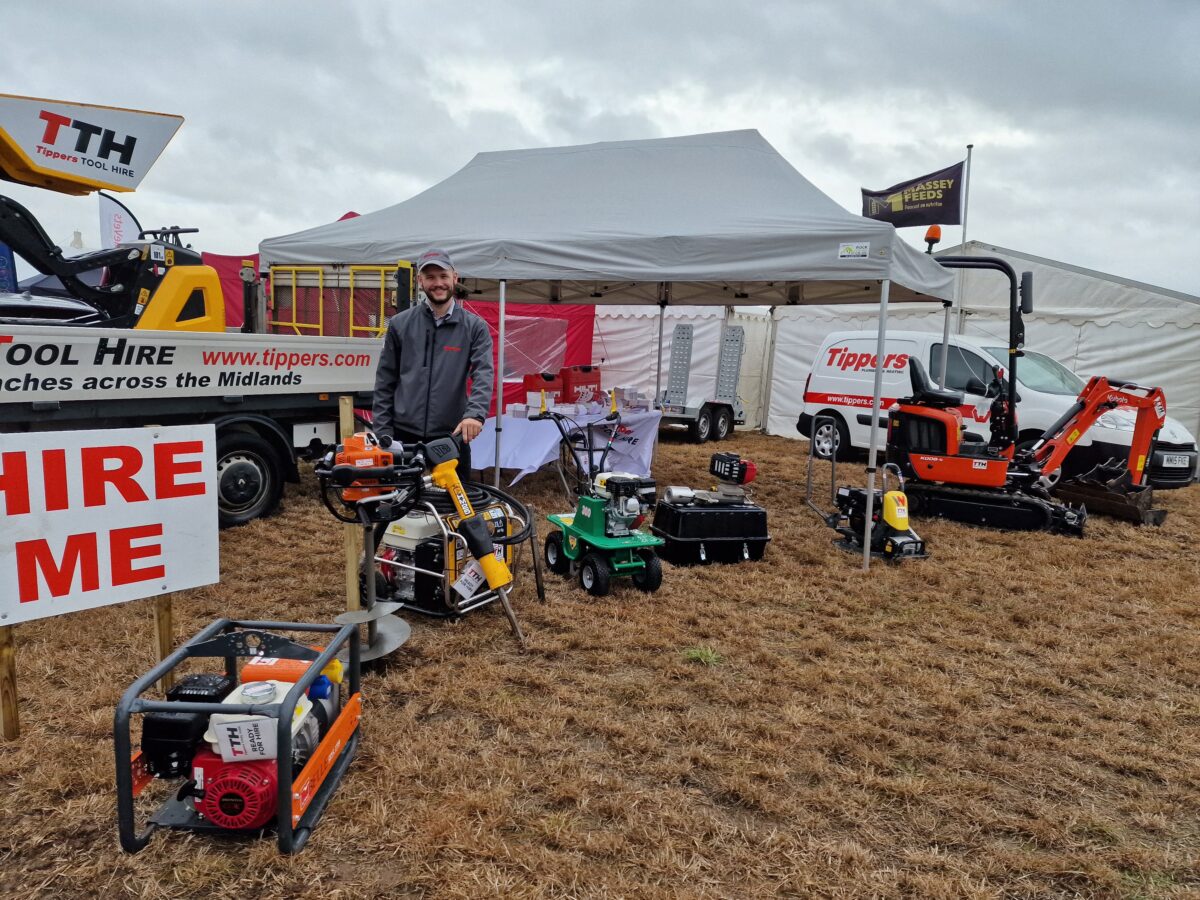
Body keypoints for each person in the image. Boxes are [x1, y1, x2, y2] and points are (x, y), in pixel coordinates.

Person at [372, 249, 493, 472]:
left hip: (451, 435)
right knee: (401, 504)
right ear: (420, 281)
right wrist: (383, 433)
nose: (438, 283)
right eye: (430, 277)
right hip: (403, 436)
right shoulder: (400, 324)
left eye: (443, 276)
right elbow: (385, 380)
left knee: (453, 504)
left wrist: (475, 415)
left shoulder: (474, 327)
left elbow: (483, 373)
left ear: (455, 278)